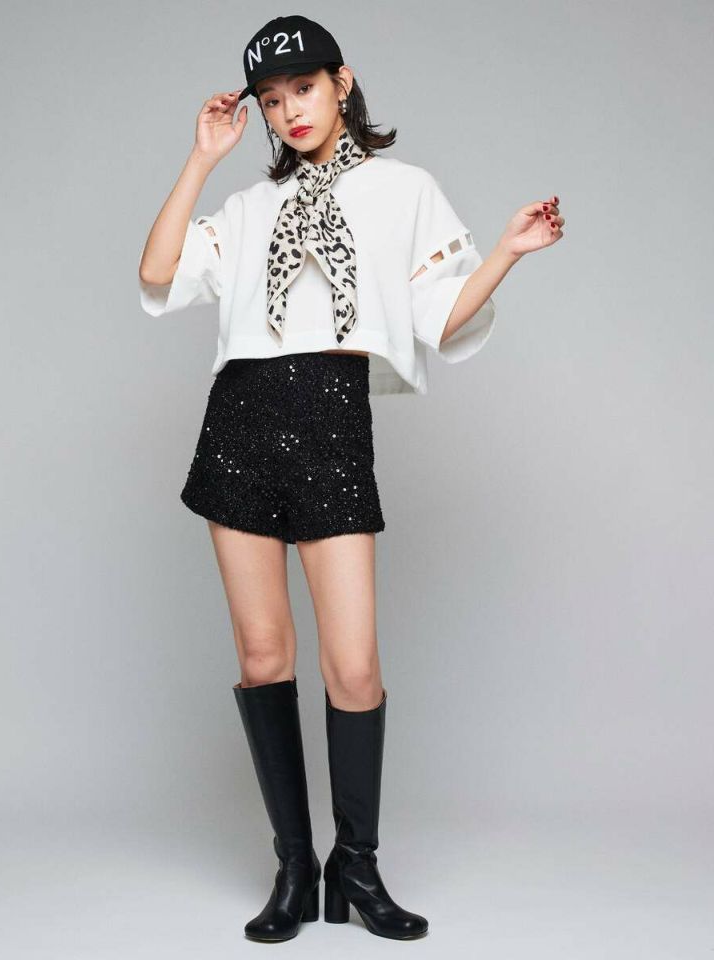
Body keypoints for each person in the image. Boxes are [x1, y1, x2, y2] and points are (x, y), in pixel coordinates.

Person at [138, 14, 564, 944]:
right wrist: (203, 160)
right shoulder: (248, 208)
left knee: (355, 665)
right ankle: (294, 867)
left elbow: (440, 319)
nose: (289, 110)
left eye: (304, 87)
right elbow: (159, 271)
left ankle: (356, 867)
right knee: (264, 656)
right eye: (270, 99)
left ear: (342, 82)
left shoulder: (402, 190)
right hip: (241, 422)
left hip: (331, 422)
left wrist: (506, 252)